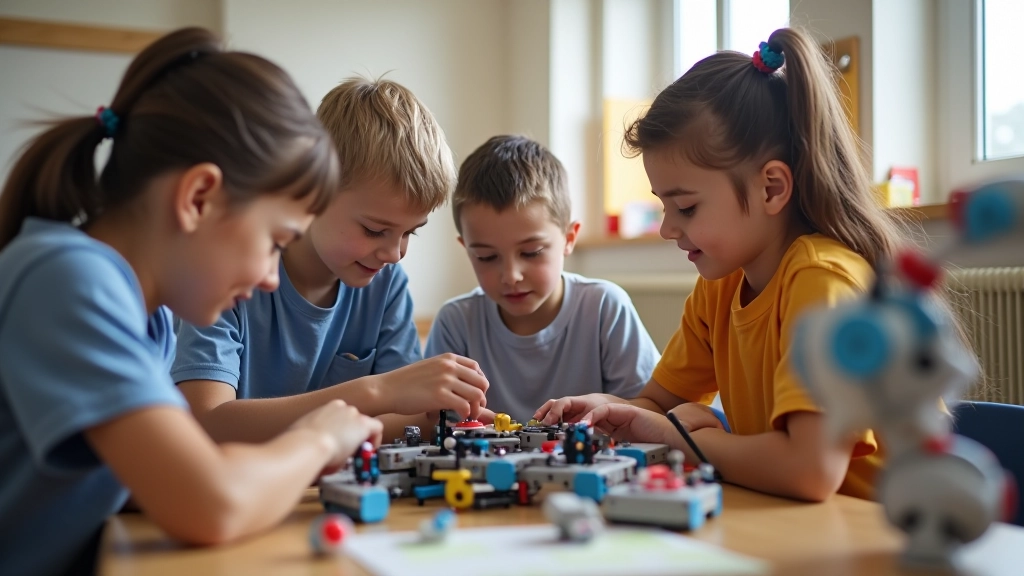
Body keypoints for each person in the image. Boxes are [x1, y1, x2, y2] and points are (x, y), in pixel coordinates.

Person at [0, 28, 382, 575]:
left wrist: (275, 468)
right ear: (198, 198)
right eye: (274, 243)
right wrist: (317, 438)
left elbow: (159, 483)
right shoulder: (68, 280)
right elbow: (213, 504)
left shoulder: (147, 315)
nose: (272, 277)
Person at [536, 28, 937, 502]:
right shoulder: (722, 284)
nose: (668, 228)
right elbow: (659, 404)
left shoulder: (821, 282)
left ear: (771, 188)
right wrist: (610, 407)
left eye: (685, 207)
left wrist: (688, 440)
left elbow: (810, 472)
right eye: (663, 206)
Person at [172, 77, 489, 445]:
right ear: (313, 190)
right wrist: (376, 391)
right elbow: (206, 423)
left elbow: (396, 423)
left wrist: (439, 419)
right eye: (374, 230)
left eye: (409, 233)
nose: (394, 253)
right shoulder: (227, 273)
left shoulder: (386, 284)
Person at [425, 135, 660, 423]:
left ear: (569, 239)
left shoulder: (604, 308)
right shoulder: (456, 322)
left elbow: (650, 408)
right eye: (487, 257)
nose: (511, 276)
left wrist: (603, 405)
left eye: (532, 252)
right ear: (467, 249)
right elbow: (432, 420)